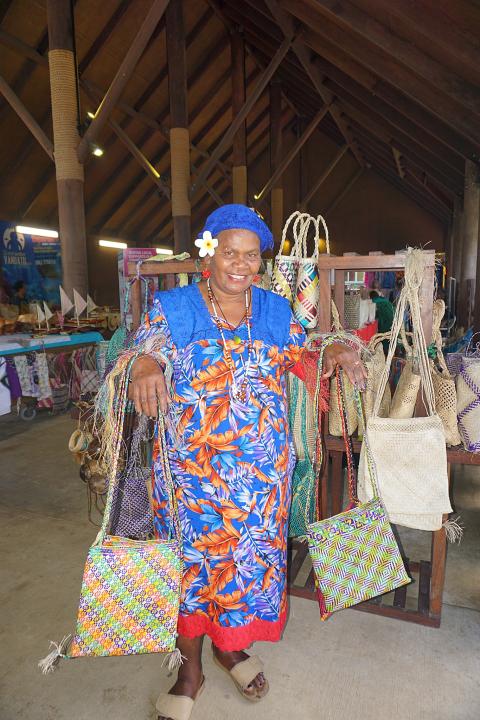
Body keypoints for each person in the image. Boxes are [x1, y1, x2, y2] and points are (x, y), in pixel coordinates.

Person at [128, 205, 367, 720]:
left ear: (261, 261)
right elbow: (139, 351)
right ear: (208, 253)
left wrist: (338, 351)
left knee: (244, 569)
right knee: (192, 571)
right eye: (229, 252)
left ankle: (229, 646)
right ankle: (189, 671)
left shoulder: (277, 310)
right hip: (190, 480)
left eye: (251, 256)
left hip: (258, 482)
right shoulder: (174, 308)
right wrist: (146, 362)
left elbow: (305, 354)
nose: (240, 265)